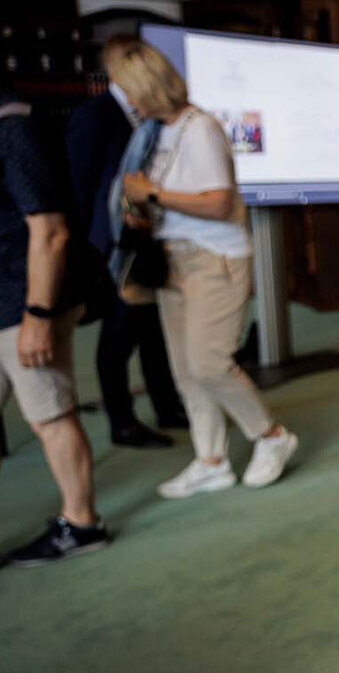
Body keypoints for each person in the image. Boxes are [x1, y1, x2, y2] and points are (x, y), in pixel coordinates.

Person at [107, 39, 299, 498]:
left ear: (149, 87)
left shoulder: (201, 128)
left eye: (129, 91)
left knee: (210, 362)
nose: (127, 101)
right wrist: (140, 208)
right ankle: (211, 460)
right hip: (172, 258)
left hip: (216, 259)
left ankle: (271, 436)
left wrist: (151, 194)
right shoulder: (156, 132)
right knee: (186, 371)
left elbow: (218, 202)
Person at [0, 86, 111, 566]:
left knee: (50, 415)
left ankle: (82, 525)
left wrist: (38, 317)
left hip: (23, 301)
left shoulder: (13, 125)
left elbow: (51, 232)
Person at [68, 35, 185, 450]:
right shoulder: (94, 116)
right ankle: (122, 421)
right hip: (112, 248)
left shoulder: (148, 117)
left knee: (153, 330)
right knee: (117, 338)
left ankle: (167, 406)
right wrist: (89, 253)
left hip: (146, 241)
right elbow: (79, 189)